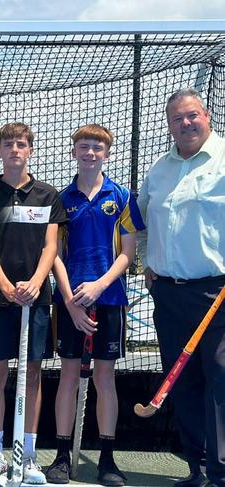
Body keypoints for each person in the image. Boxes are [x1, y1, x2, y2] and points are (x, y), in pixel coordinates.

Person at [0, 122, 67, 485]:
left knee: (33, 374)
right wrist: (7, 288)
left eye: (21, 144)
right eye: (8, 145)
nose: (15, 150)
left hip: (36, 300)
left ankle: (28, 457)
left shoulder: (48, 195)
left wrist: (36, 284)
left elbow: (50, 247)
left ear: (30, 150)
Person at [47, 124, 145, 486]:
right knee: (68, 376)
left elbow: (128, 254)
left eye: (97, 148)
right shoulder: (61, 199)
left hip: (110, 300)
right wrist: (72, 300)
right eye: (84, 147)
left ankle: (107, 460)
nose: (90, 153)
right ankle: (60, 458)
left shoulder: (120, 196)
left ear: (107, 153)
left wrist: (100, 285)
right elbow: (54, 255)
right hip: (69, 302)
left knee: (105, 378)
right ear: (74, 152)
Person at [137, 88, 225, 487]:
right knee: (183, 379)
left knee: (220, 378)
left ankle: (221, 472)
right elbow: (138, 225)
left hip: (218, 293)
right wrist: (146, 263)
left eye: (192, 116)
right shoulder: (158, 170)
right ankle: (199, 469)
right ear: (170, 125)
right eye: (177, 119)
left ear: (206, 115)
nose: (186, 123)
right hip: (169, 295)